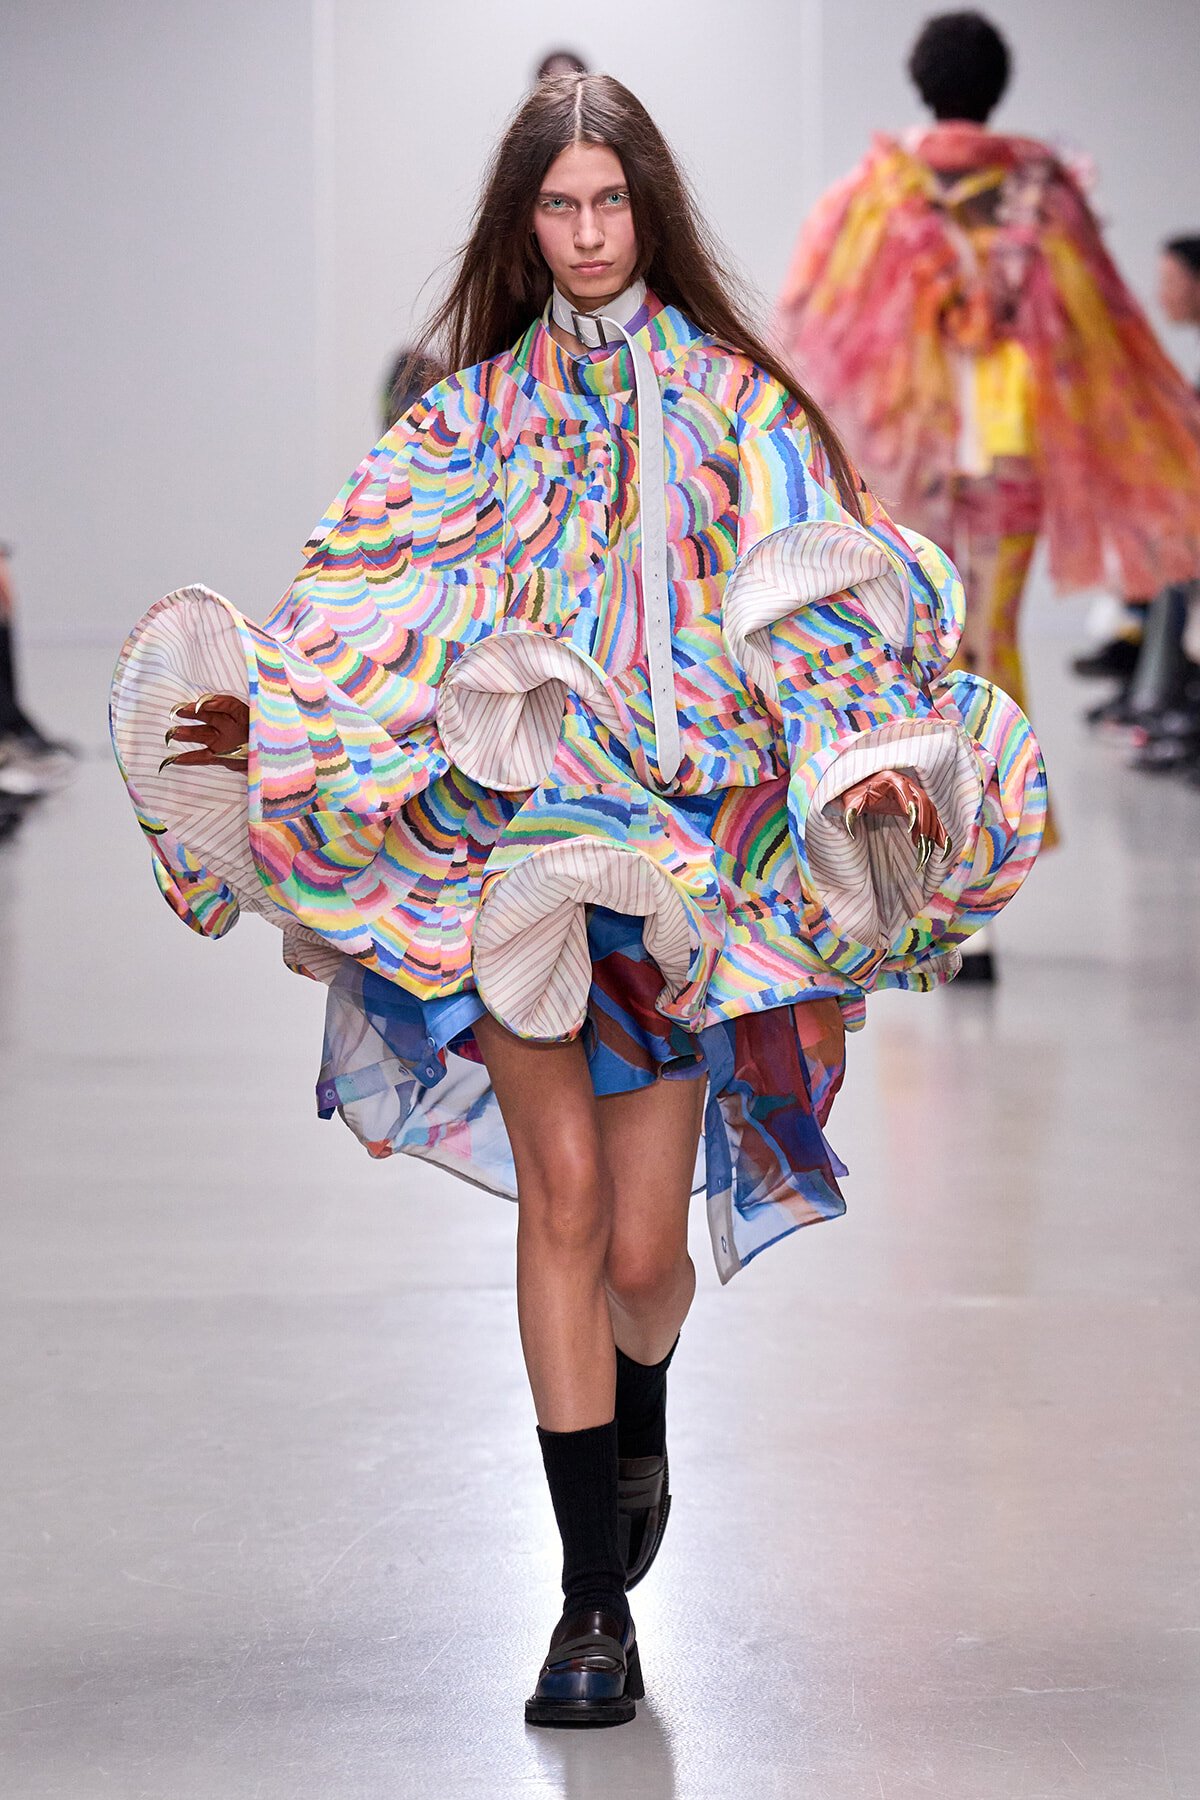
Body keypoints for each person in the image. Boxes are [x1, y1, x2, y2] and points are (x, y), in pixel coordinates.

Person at [110, 73, 1046, 1727]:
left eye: (614, 206)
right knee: (558, 1202)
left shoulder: (742, 406)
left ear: (651, 213)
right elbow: (357, 598)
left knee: (636, 1254)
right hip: (509, 860)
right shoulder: (463, 417)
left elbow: (813, 606)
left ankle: (643, 1416)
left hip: (681, 873)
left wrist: (869, 762)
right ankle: (589, 1610)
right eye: (562, 207)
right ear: (523, 220)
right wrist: (269, 727)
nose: (592, 234)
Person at [775, 10, 1200, 855]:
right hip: (1011, 457)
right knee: (992, 640)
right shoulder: (1044, 194)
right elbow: (1102, 331)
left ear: (921, 83)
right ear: (997, 87)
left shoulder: (875, 192)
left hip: (910, 463)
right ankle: (996, 849)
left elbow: (812, 313)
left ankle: (924, 850)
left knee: (920, 644)